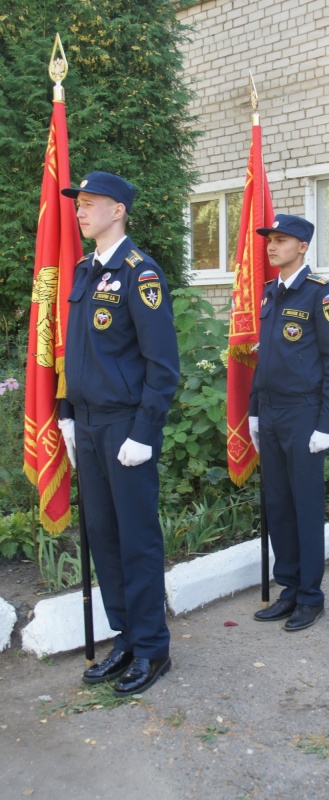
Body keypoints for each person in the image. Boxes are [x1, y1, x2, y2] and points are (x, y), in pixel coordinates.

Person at [58, 171, 180, 695]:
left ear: (119, 210)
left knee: (136, 540)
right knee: (104, 539)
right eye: (78, 204)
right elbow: (78, 350)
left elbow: (163, 365)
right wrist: (65, 412)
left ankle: (153, 648)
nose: (81, 212)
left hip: (125, 428)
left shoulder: (140, 273)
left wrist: (144, 430)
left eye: (90, 203)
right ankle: (126, 637)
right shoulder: (86, 271)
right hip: (87, 425)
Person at [249, 214, 329, 630]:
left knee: (305, 506)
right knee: (278, 505)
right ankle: (288, 587)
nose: (272, 246)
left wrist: (326, 423)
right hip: (271, 412)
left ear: (303, 246)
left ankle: (311, 595)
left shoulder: (320, 296)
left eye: (282, 240)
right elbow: (265, 359)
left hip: (304, 414)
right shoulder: (271, 293)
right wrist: (255, 409)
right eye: (270, 240)